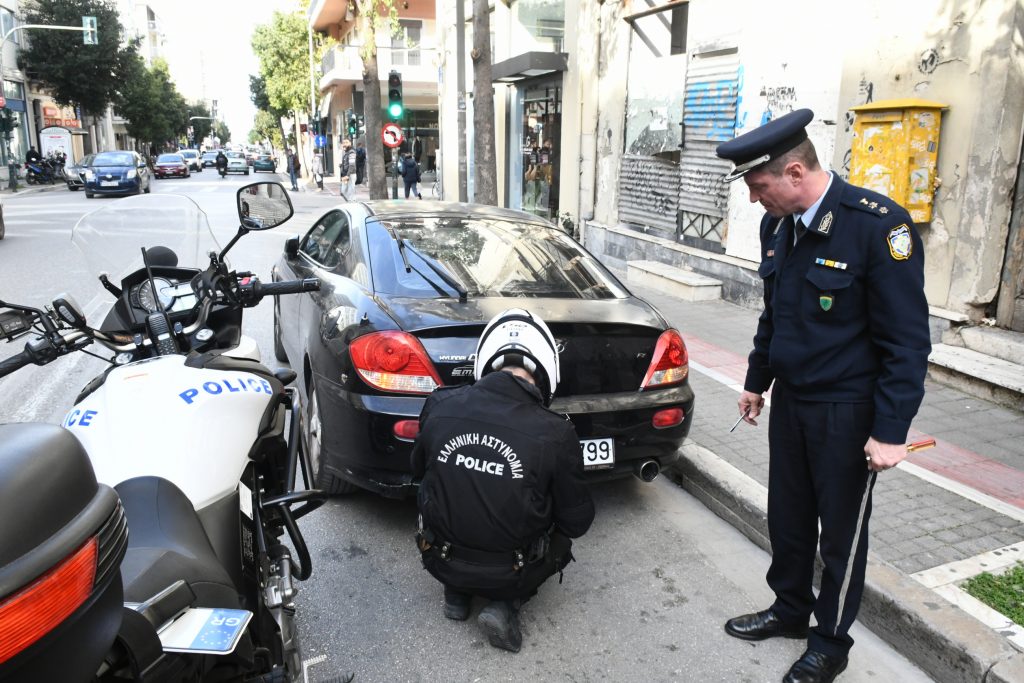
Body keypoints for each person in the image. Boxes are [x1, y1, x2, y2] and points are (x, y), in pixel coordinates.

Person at [715, 109, 930, 683]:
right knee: (788, 518)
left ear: (793, 171)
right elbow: (775, 315)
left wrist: (890, 431)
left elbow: (907, 343)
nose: (756, 201)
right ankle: (789, 610)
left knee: (840, 534)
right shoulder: (778, 227)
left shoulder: (877, 227)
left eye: (760, 189)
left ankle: (829, 642)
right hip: (792, 403)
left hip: (848, 411)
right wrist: (757, 381)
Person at [411, 309, 595, 653]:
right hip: (510, 572)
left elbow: (417, 471)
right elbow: (577, 522)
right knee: (562, 535)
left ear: (486, 360)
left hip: (437, 556)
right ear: (544, 371)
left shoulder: (439, 403)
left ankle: (457, 594)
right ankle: (506, 604)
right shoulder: (555, 431)